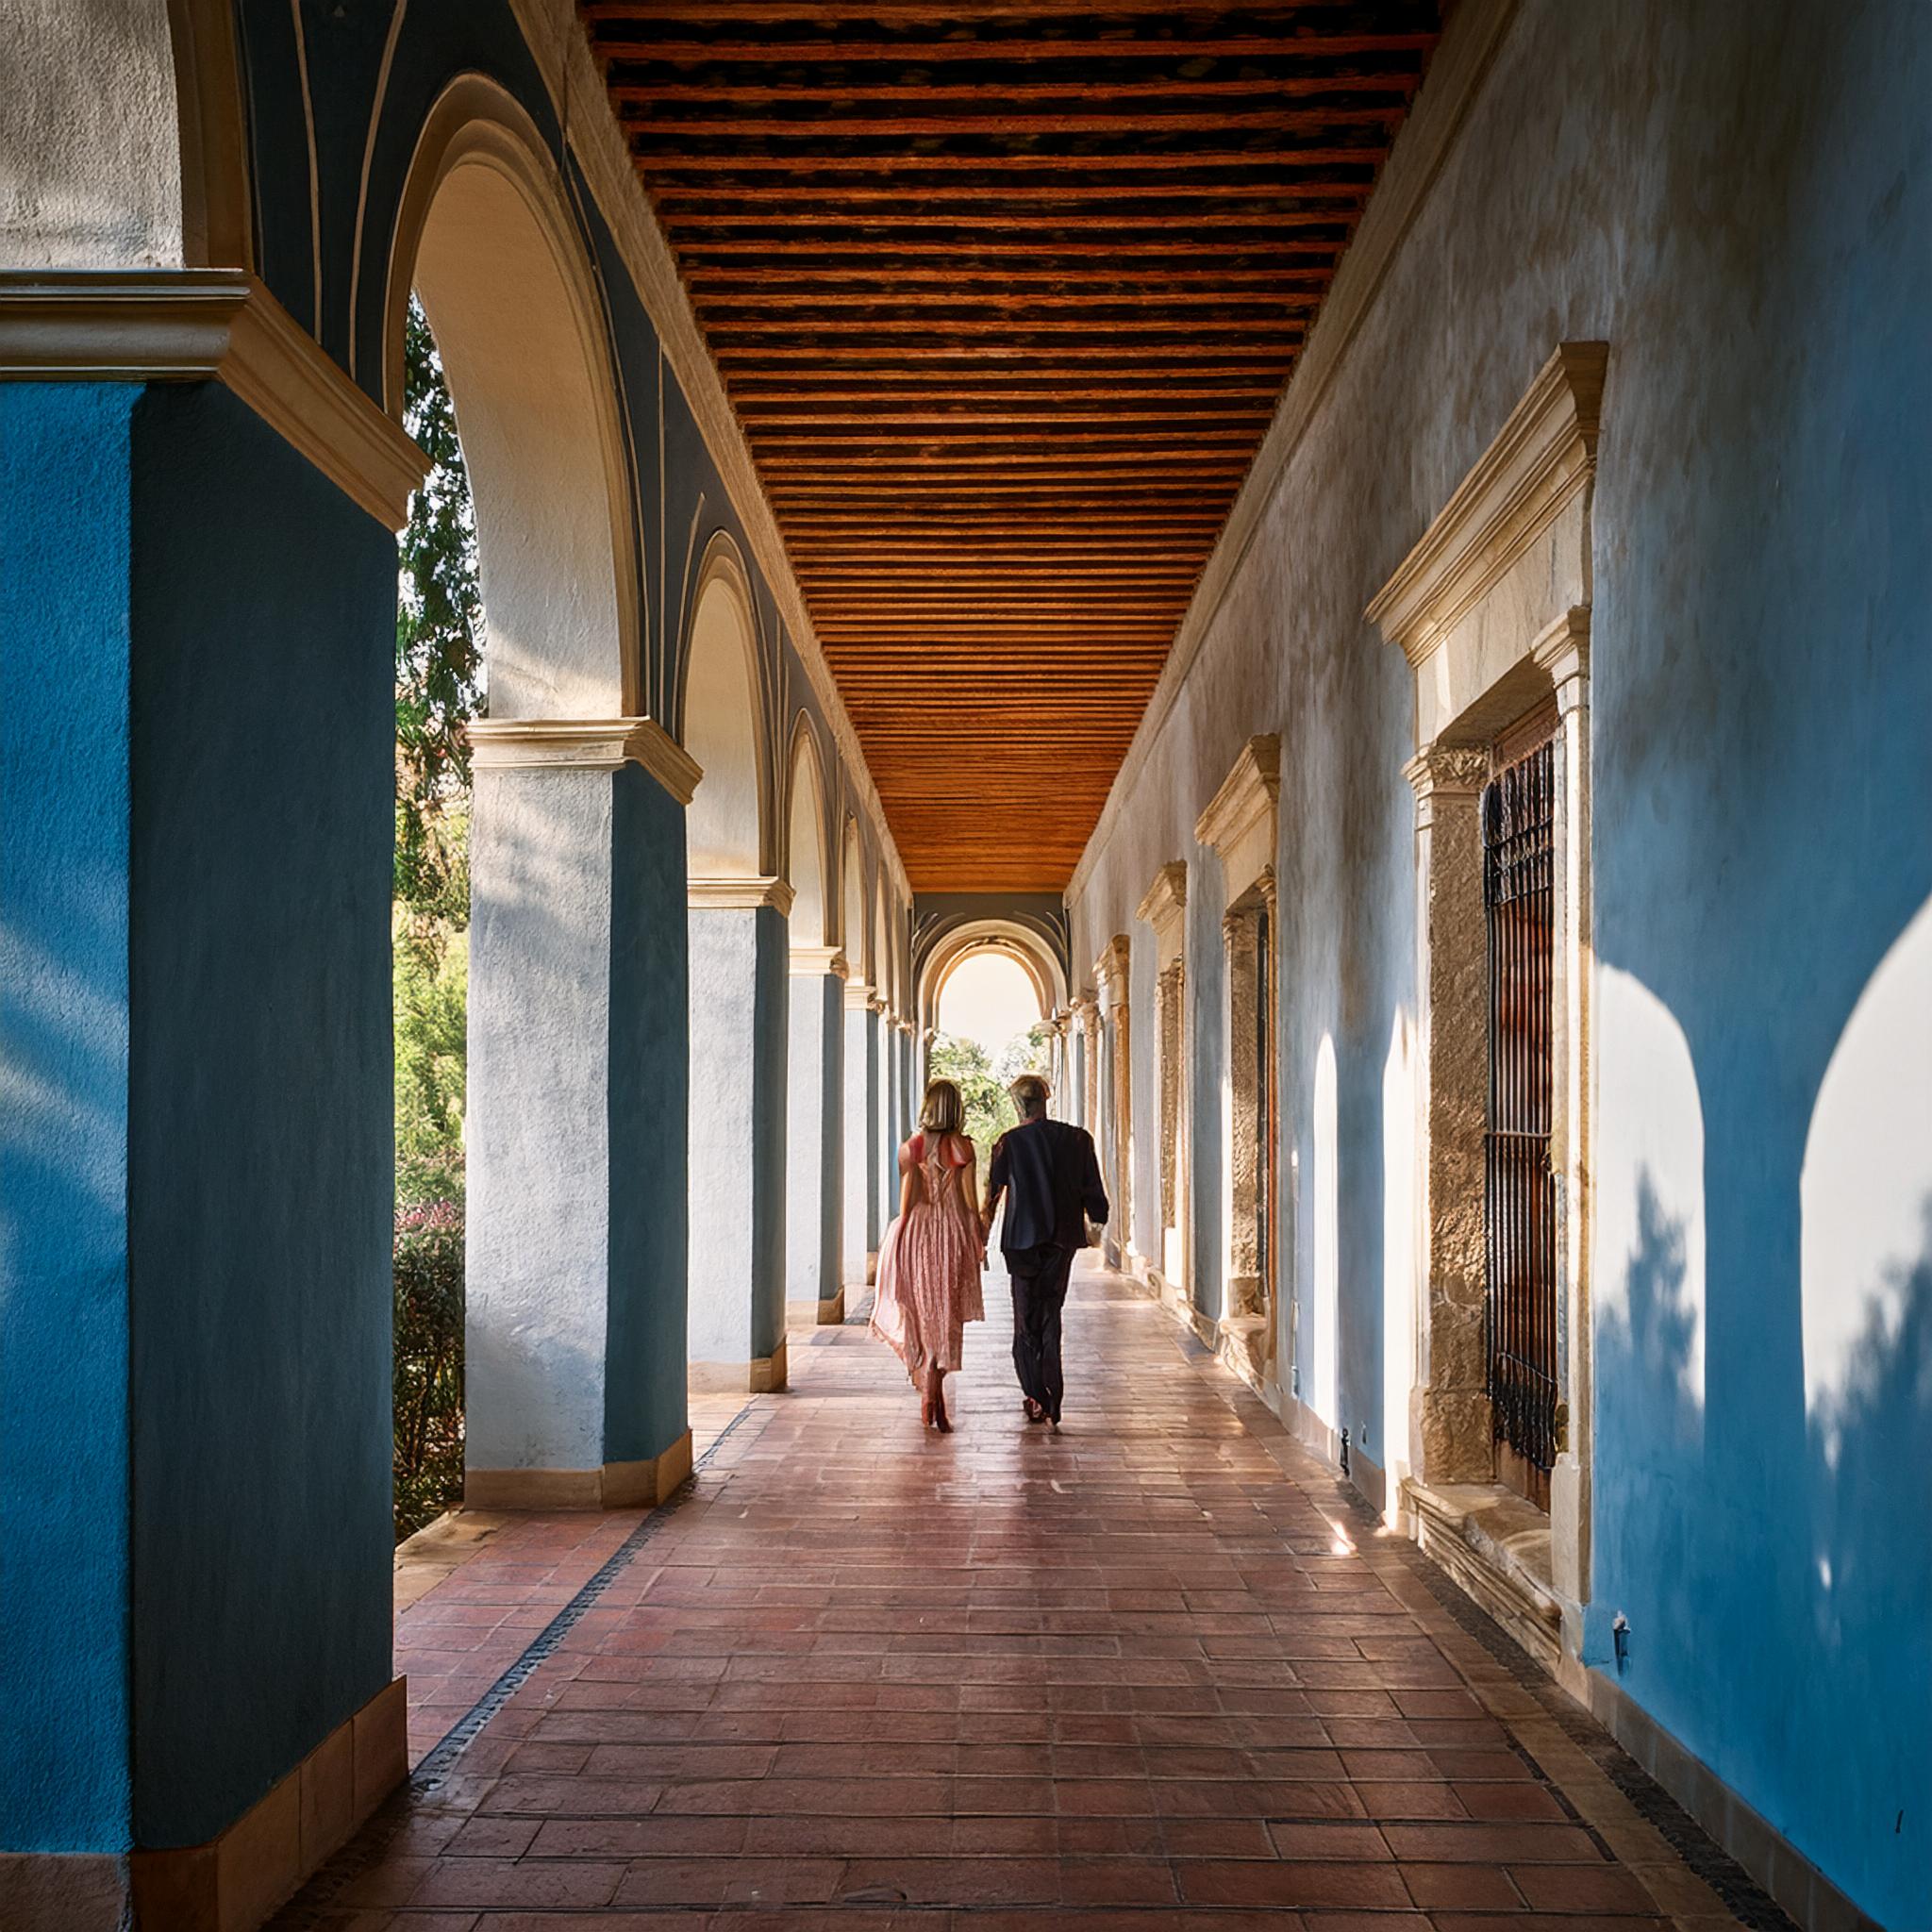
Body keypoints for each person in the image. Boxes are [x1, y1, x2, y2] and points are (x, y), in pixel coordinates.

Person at [981, 1073, 1108, 1430]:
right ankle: (1051, 1396)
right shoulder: (1078, 1139)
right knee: (1051, 1312)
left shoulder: (1009, 1143)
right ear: (1044, 1100)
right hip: (1061, 1240)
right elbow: (1093, 1191)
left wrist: (981, 1237)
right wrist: (1097, 1218)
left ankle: (1035, 1393)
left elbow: (992, 1195)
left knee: (1025, 1319)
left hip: (1021, 1240)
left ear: (1019, 1104)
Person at [869, 1077, 987, 1431]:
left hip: (919, 1232)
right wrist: (977, 1237)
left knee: (922, 1313)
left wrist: (900, 1236)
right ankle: (935, 1388)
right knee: (945, 1314)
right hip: (951, 1233)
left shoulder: (912, 1148)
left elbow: (908, 1200)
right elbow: (968, 1204)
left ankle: (927, 1389)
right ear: (956, 1108)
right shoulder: (964, 1148)